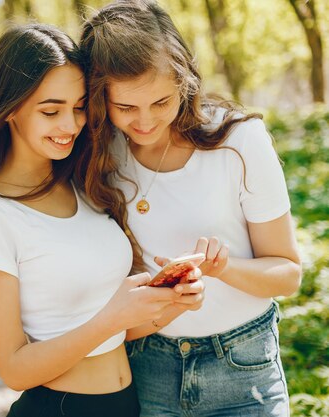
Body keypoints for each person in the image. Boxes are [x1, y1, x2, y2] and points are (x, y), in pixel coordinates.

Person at [0, 23, 204, 417]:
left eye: (79, 107)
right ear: (11, 108)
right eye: (51, 110)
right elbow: (14, 369)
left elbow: (109, 332)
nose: (70, 126)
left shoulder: (83, 186)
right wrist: (112, 317)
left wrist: (167, 304)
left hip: (127, 403)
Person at [78, 1, 302, 416]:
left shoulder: (239, 141)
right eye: (125, 108)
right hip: (148, 369)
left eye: (161, 102)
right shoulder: (98, 155)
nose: (144, 122)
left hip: (243, 370)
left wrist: (223, 269)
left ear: (184, 82)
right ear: (98, 98)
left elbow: (287, 273)